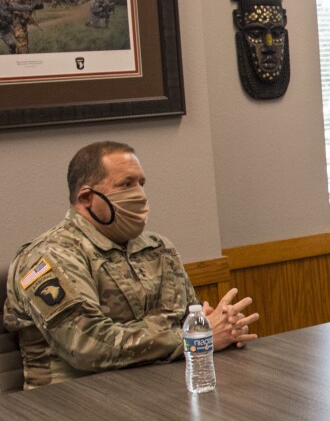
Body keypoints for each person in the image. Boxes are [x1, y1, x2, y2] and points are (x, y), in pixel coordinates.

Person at [2, 141, 260, 389]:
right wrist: (194, 339)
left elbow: (191, 319)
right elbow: (87, 345)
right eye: (126, 184)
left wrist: (221, 327)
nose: (139, 194)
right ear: (86, 198)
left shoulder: (158, 247)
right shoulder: (49, 256)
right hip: (72, 402)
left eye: (141, 183)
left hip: (159, 388)